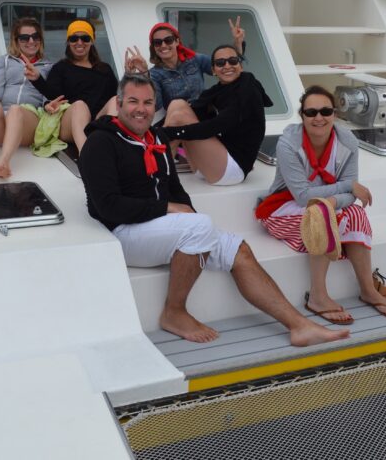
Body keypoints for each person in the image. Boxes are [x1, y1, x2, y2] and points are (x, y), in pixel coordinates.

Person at [78, 73, 351, 346]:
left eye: (148, 102)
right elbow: (108, 206)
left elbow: (176, 190)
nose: (141, 109)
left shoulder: (156, 138)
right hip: (122, 232)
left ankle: (299, 326)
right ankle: (174, 312)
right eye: (133, 101)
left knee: (238, 249)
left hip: (156, 226)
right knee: (200, 227)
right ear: (119, 104)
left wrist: (186, 213)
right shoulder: (100, 142)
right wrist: (168, 209)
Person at [256, 86, 386, 323]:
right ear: (302, 116)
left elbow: (351, 195)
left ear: (335, 113)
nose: (319, 118)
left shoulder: (347, 141)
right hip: (281, 208)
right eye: (311, 112)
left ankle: (367, 289)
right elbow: (303, 196)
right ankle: (318, 296)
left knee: (355, 213)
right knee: (322, 214)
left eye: (325, 111)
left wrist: (333, 200)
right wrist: (347, 187)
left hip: (324, 205)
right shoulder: (288, 144)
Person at [162, 44, 271, 185]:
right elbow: (194, 112)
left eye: (233, 61)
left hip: (232, 170)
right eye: (220, 63)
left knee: (177, 120)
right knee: (177, 104)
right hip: (210, 164)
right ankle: (161, 171)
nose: (227, 66)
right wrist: (156, 131)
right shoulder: (215, 92)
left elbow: (219, 125)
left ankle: (160, 176)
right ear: (213, 70)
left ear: (240, 66)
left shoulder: (248, 88)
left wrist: (169, 133)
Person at [0, 18, 53, 178]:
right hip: (3, 120)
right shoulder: (5, 61)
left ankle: (4, 163)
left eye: (35, 37)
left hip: (28, 122)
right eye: (24, 38)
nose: (31, 41)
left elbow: (48, 94)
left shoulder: (49, 66)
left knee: (16, 109)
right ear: (16, 41)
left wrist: (48, 104)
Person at [27, 19, 117, 154]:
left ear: (92, 41)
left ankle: (113, 145)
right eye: (74, 39)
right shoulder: (61, 68)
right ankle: (86, 154)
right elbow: (53, 95)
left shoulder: (105, 69)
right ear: (68, 42)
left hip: (96, 121)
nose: (79, 43)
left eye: (85, 38)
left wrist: (130, 74)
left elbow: (113, 97)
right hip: (70, 123)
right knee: (80, 105)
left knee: (116, 100)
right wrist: (37, 80)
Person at [128, 18, 246, 111]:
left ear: (177, 41)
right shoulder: (154, 74)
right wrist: (144, 73)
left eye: (168, 40)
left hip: (204, 113)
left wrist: (237, 43)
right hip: (179, 120)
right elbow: (156, 106)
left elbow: (225, 68)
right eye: (157, 43)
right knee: (177, 105)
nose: (163, 45)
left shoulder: (196, 59)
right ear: (154, 47)